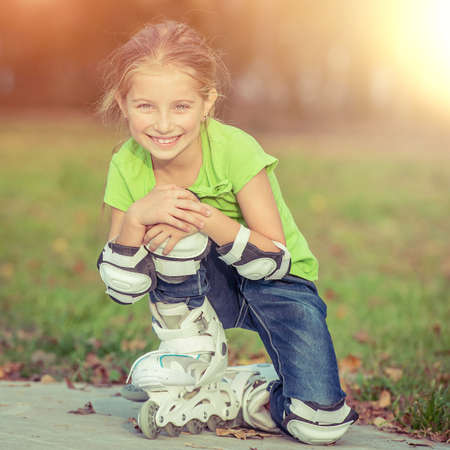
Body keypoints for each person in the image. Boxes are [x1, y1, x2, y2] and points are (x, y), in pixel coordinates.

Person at [96, 21, 358, 445]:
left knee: (319, 425)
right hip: (202, 287)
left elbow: (274, 258)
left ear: (207, 104)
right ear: (123, 103)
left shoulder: (236, 148)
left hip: (280, 287)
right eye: (145, 106)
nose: (162, 124)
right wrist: (134, 219)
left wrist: (199, 214)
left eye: (180, 106)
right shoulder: (126, 163)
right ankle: (193, 353)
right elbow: (122, 288)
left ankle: (250, 392)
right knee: (173, 232)